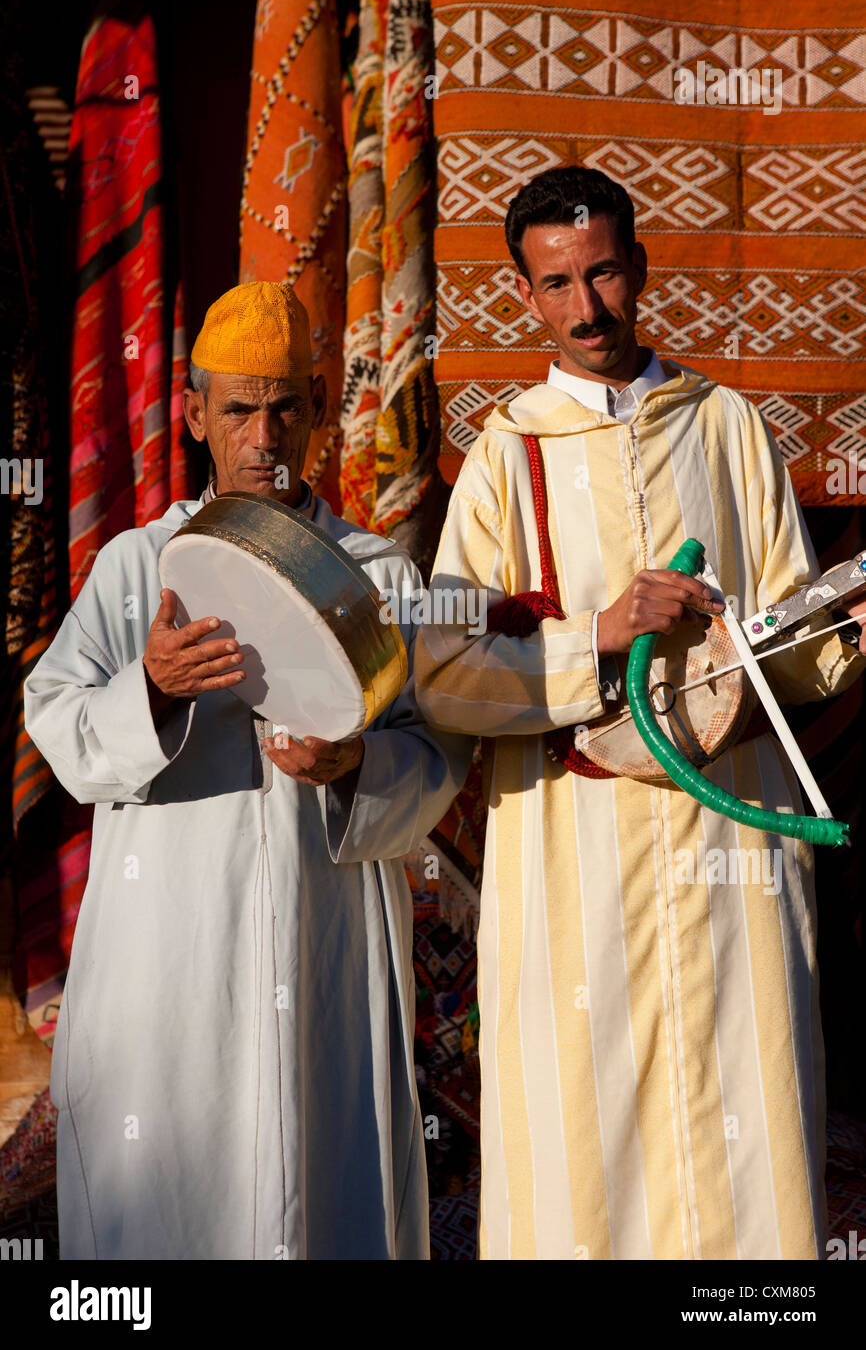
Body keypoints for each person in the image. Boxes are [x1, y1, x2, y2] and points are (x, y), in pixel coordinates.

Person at [415, 166, 866, 1261]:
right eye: (557, 283)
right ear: (523, 294)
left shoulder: (725, 429)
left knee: (744, 1133)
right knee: (584, 1138)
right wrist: (595, 636)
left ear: (638, 266)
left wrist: (831, 646)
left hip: (731, 854)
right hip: (571, 864)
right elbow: (443, 675)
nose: (586, 309)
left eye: (604, 272)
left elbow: (797, 657)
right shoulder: (499, 462)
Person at [24, 281, 471, 1260]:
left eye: (283, 407)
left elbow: (438, 759)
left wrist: (356, 761)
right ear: (192, 415)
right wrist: (152, 687)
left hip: (326, 947)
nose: (263, 433)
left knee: (320, 1178)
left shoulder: (378, 574)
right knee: (166, 1202)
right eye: (237, 408)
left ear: (317, 410)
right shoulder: (139, 567)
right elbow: (57, 723)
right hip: (163, 957)